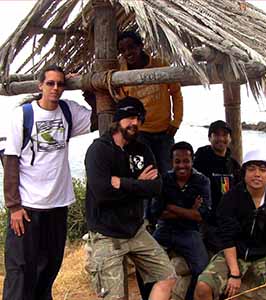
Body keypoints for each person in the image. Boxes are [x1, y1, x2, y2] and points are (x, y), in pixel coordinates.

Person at [2, 65, 96, 300]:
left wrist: (85, 87)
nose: (55, 88)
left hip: (57, 204)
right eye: (51, 83)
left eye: (61, 84)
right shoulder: (22, 115)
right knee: (21, 270)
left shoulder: (68, 111)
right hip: (27, 207)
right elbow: (10, 160)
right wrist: (13, 206)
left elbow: (99, 117)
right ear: (40, 85)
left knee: (50, 266)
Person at [84, 96, 176, 300]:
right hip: (107, 235)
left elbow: (156, 187)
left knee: (167, 277)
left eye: (139, 119)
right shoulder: (98, 150)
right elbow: (102, 193)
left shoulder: (142, 149)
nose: (135, 123)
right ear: (118, 119)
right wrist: (139, 183)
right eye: (130, 117)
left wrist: (124, 183)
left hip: (136, 230)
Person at [194, 149, 266, 300]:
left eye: (263, 170)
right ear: (243, 173)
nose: (257, 174)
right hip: (236, 254)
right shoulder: (230, 199)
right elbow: (227, 236)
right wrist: (234, 273)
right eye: (251, 169)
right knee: (203, 286)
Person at [118, 30, 183, 174]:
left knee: (167, 173)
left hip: (165, 132)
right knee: (145, 172)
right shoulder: (121, 75)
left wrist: (176, 121)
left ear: (141, 46)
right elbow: (124, 107)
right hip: (140, 133)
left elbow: (176, 94)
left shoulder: (160, 64)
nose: (128, 52)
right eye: (123, 50)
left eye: (131, 47)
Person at [152, 141, 211, 300]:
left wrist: (170, 207)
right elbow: (155, 212)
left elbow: (201, 215)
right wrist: (190, 210)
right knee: (144, 265)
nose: (182, 165)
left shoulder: (202, 181)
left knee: (202, 268)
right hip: (164, 229)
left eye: (186, 161)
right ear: (172, 162)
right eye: (177, 161)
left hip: (189, 231)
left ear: (192, 161)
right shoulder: (164, 180)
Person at [193, 120, 241, 253]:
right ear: (210, 138)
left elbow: (241, 192)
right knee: (223, 250)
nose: (221, 138)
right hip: (206, 220)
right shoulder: (200, 160)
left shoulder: (234, 165)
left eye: (225, 135)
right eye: (216, 135)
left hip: (228, 218)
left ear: (230, 138)